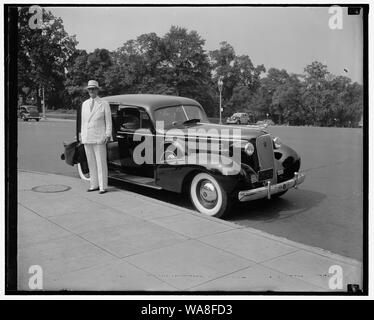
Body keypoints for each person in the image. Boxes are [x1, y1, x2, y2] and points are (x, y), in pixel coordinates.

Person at [79, 80, 112, 194]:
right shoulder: (85, 104)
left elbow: (108, 121)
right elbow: (83, 122)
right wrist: (82, 135)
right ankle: (94, 184)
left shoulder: (104, 103)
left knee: (101, 162)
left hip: (99, 137)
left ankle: (103, 186)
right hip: (87, 137)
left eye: (93, 89)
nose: (91, 91)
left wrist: (108, 134)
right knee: (91, 162)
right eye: (89, 89)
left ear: (97, 90)